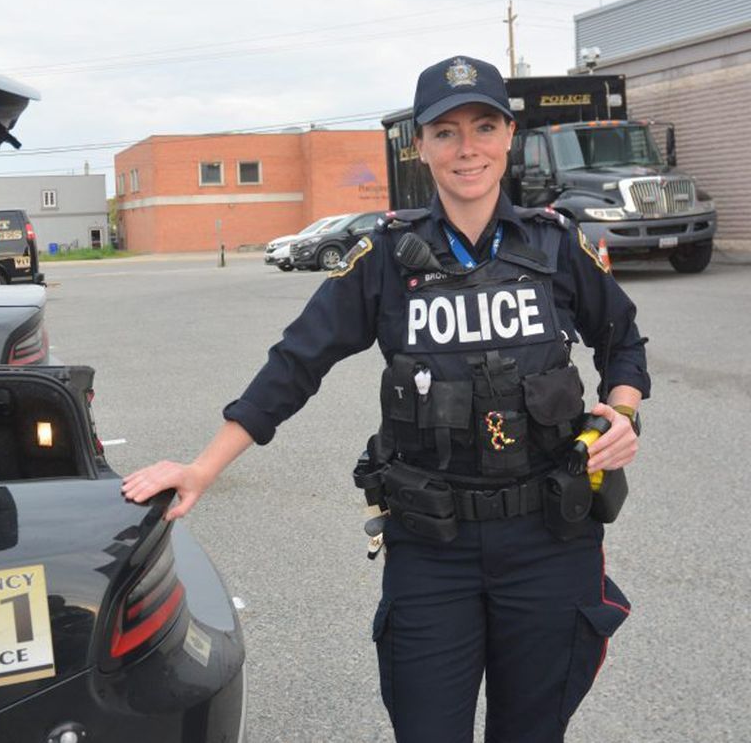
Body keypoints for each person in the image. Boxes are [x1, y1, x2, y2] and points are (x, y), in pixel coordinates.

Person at [123, 55, 649, 742]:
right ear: (421, 145)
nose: (467, 149)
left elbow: (623, 341)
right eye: (446, 132)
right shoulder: (386, 258)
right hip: (434, 548)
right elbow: (293, 365)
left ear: (508, 135)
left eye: (484, 127)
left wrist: (624, 410)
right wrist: (202, 467)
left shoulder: (555, 245)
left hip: (550, 539)